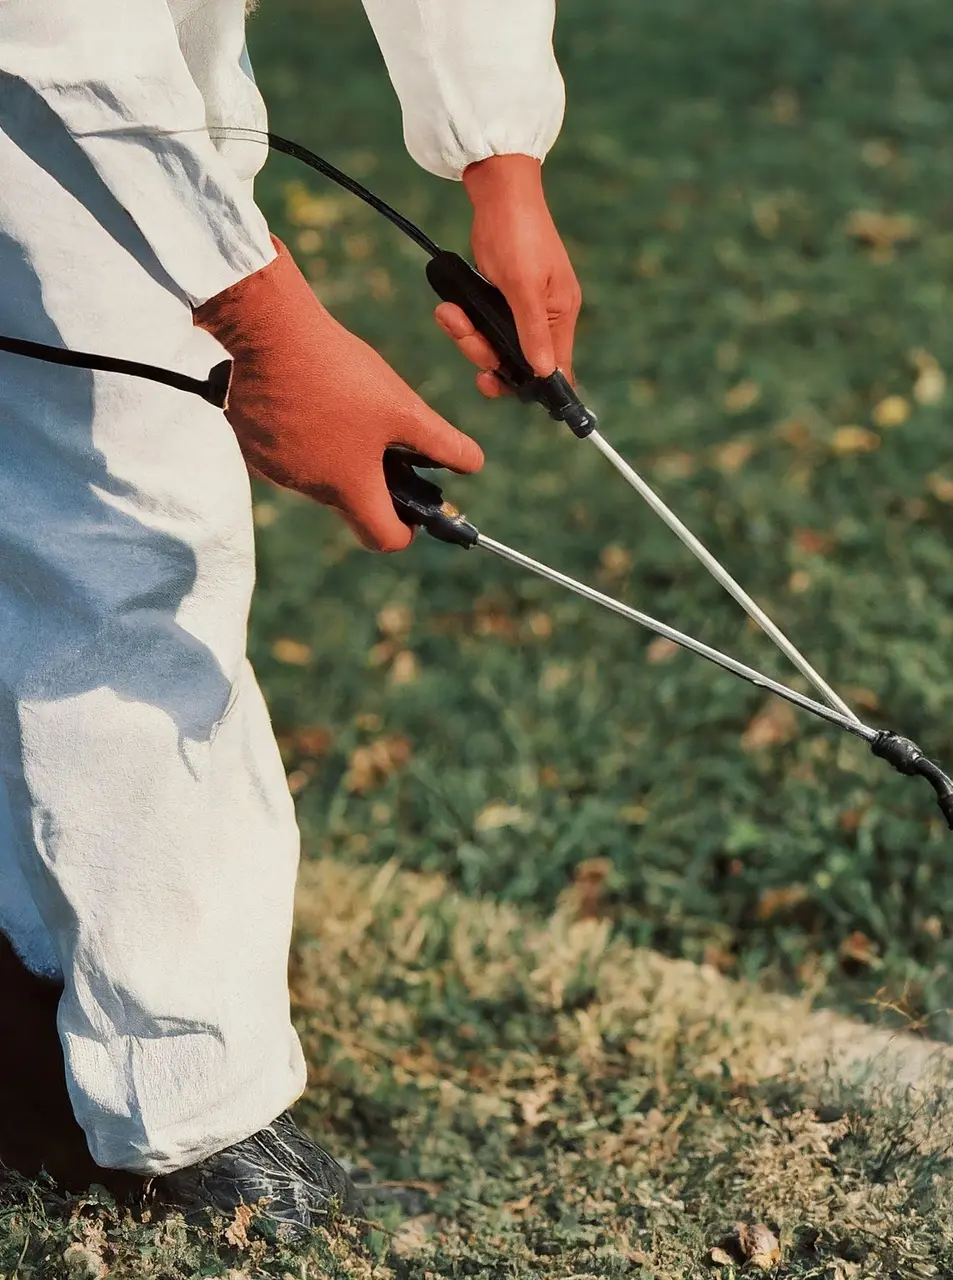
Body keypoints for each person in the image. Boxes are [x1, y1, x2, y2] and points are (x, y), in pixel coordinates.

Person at [0, 0, 580, 1231]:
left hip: (139, 91)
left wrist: (501, 160)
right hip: (47, 84)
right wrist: (262, 326)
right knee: (129, 526)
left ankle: (28, 994)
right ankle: (182, 1118)